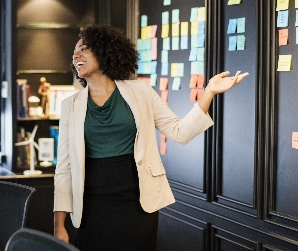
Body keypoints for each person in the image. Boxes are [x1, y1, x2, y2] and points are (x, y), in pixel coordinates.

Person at [53, 24, 249, 251]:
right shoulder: (71, 105)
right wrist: (59, 224)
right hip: (91, 205)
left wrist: (209, 92)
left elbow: (180, 132)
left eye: (84, 48)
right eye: (75, 51)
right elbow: (64, 168)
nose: (76, 54)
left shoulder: (141, 92)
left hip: (137, 201)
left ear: (105, 51)